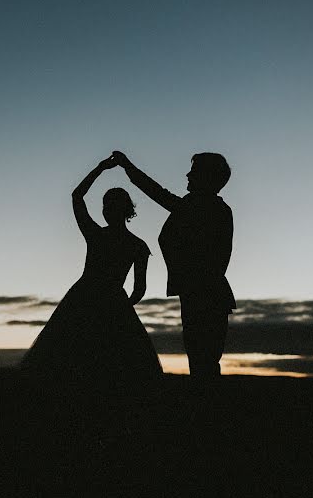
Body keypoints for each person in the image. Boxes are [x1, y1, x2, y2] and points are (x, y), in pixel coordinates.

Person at [20, 155, 162, 387]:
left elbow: (77, 196)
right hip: (111, 301)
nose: (106, 210)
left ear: (120, 210)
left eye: (109, 206)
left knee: (70, 358)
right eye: (105, 205)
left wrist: (100, 168)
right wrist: (121, 307)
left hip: (84, 297)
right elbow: (139, 290)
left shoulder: (98, 236)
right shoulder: (136, 245)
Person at [112, 150, 235, 381]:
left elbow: (159, 194)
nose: (188, 175)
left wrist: (128, 167)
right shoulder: (204, 206)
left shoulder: (201, 207)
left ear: (205, 177)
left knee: (203, 365)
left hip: (203, 295)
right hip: (200, 293)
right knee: (203, 364)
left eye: (194, 171)